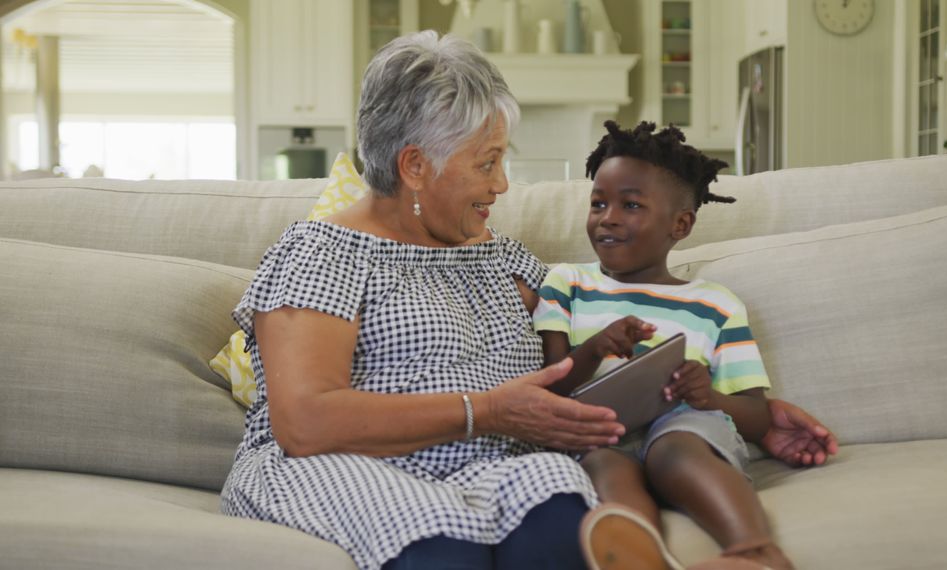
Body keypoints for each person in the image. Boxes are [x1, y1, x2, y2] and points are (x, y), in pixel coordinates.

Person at [220, 31, 835, 570]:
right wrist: (486, 412)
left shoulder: (500, 255)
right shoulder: (323, 254)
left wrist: (755, 412)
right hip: (348, 466)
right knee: (443, 548)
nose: (501, 185)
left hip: (493, 462)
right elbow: (305, 424)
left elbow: (597, 331)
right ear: (414, 166)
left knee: (560, 511)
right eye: (486, 163)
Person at [534, 121, 812, 569]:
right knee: (605, 463)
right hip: (599, 432)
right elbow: (550, 389)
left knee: (674, 450)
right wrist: (596, 349)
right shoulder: (566, 283)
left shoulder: (716, 304)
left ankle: (757, 552)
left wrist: (708, 395)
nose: (608, 217)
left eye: (631, 205)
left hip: (686, 429)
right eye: (599, 203)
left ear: (680, 224)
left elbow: (758, 417)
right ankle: (642, 559)